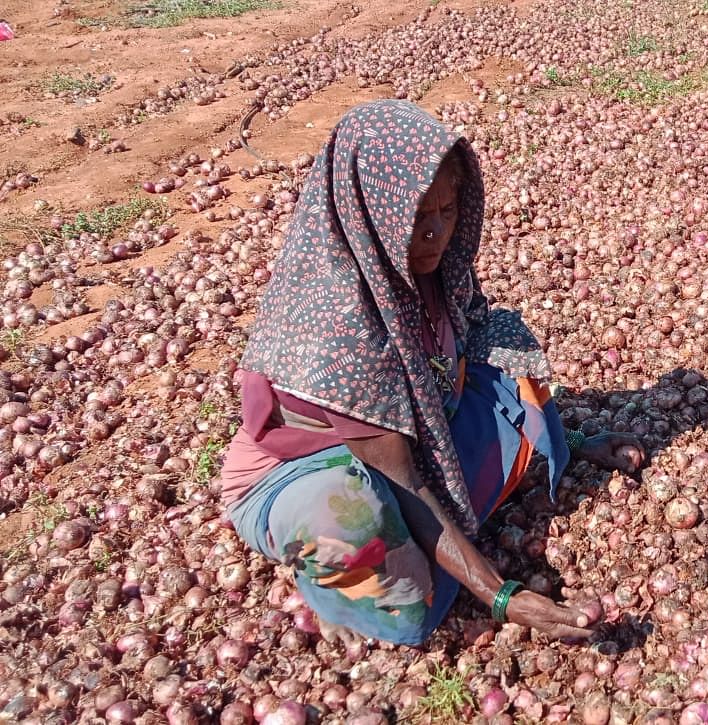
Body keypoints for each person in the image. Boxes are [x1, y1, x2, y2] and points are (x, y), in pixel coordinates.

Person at [216, 100, 645, 646]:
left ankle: (431, 546)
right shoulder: (335, 322)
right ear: (372, 211)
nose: (437, 234)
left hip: (413, 440)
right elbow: (409, 481)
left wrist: (562, 436)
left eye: (448, 210)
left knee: (506, 349)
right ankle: (337, 586)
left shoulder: (433, 270)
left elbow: (469, 354)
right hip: (309, 469)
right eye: (418, 217)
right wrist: (500, 594)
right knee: (360, 538)